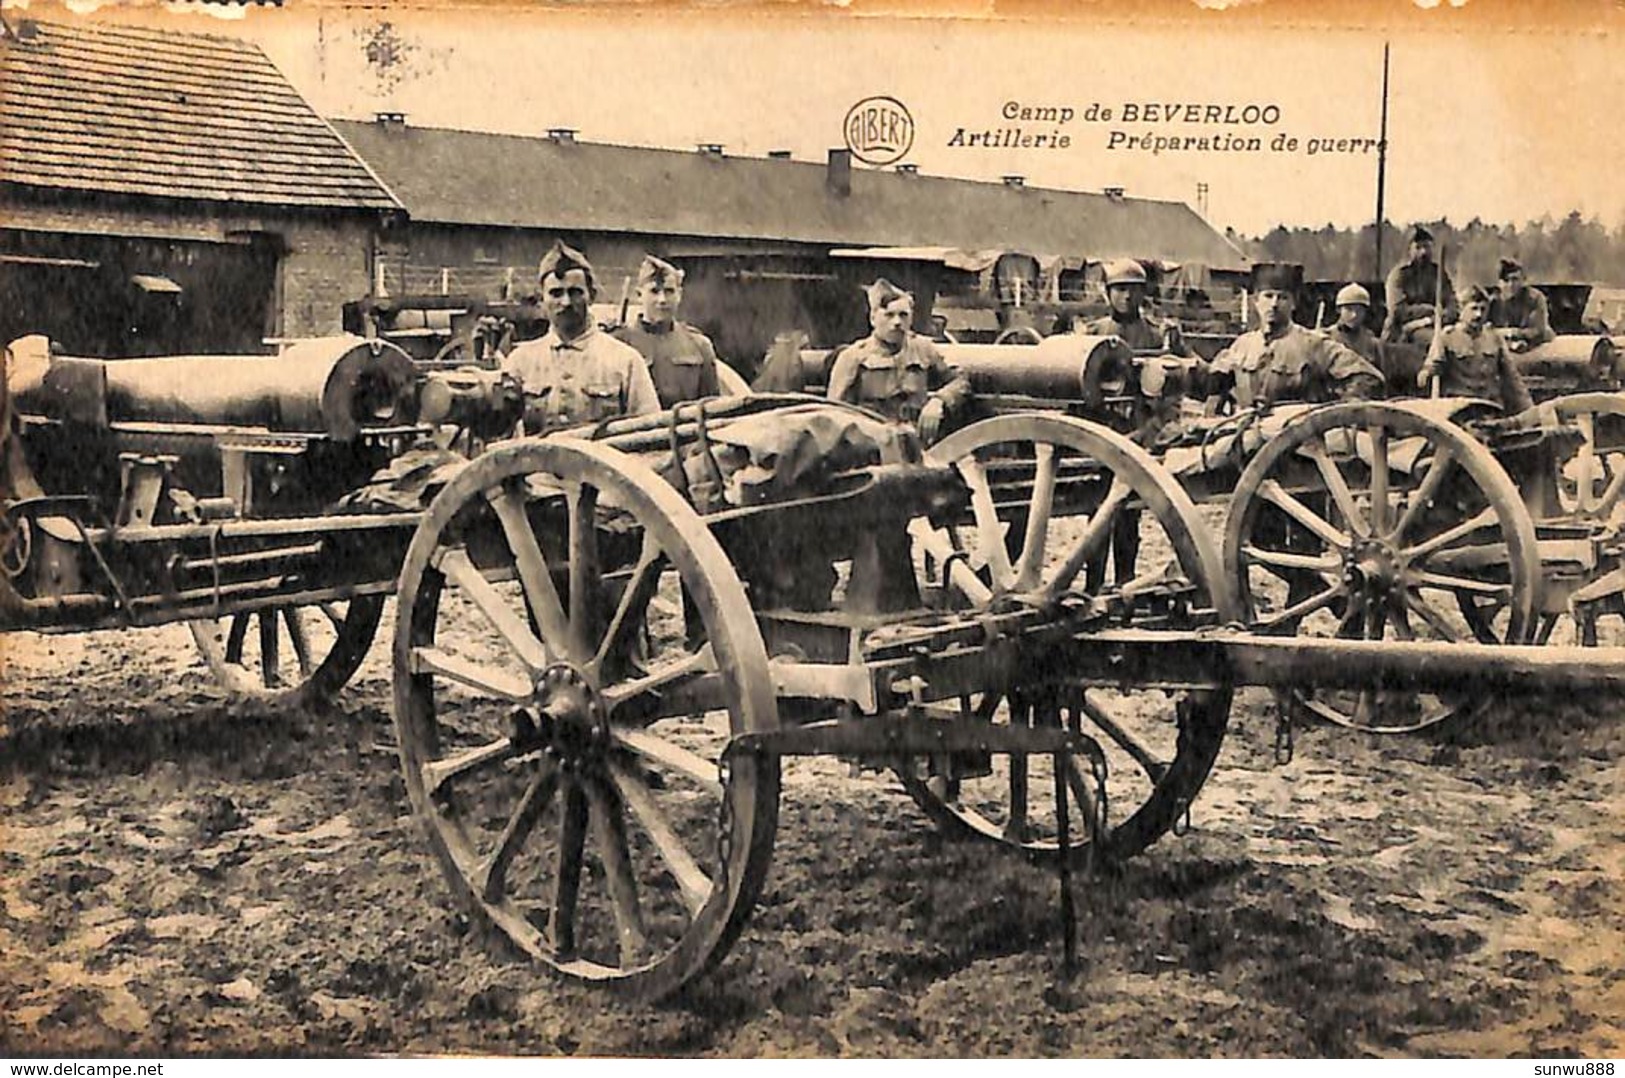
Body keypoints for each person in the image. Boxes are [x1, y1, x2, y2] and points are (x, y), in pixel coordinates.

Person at [501, 240, 660, 436]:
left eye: (575, 293)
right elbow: (500, 436)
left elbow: (648, 434)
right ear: (542, 300)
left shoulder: (625, 361)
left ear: (591, 296)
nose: (566, 302)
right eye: (556, 293)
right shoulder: (520, 362)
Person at [1207, 263, 1384, 413]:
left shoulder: (1313, 344)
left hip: (1299, 446)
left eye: (1283, 297)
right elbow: (1215, 382)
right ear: (1256, 301)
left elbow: (1368, 377)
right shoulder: (1242, 345)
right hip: (1246, 440)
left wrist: (1335, 412)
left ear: (1294, 303)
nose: (1274, 304)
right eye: (1268, 296)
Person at [827, 278, 970, 443]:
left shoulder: (923, 349)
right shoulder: (853, 358)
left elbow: (960, 381)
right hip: (872, 448)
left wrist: (939, 401)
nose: (897, 322)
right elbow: (834, 416)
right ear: (873, 318)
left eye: (903, 315)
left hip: (918, 445)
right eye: (889, 315)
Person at [610, 255, 724, 408]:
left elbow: (711, 407)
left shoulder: (699, 345)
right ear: (639, 295)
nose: (662, 299)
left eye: (669, 291)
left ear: (679, 295)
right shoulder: (619, 344)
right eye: (654, 291)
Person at [1419, 283, 1535, 413]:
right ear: (1461, 310)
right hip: (1459, 410)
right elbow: (1424, 379)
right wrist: (1429, 373)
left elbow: (1513, 378)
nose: (1479, 314)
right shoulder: (1446, 338)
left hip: (1489, 408)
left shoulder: (1494, 338)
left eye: (1483, 309)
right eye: (1474, 309)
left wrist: (1530, 410)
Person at [1083, 259, 1192, 355]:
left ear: (1143, 292)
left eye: (1134, 290)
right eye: (1121, 289)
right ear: (1108, 292)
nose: (1127, 296)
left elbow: (1192, 363)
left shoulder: (1159, 333)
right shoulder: (1092, 334)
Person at [1382, 226, 1457, 347]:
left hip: (1435, 326)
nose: (1423, 252)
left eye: (1427, 247)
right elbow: (1398, 310)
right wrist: (1429, 310)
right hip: (1401, 334)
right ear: (1409, 250)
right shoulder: (1399, 275)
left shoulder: (1438, 274)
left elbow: (1453, 306)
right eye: (1418, 247)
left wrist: (1431, 320)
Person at [1489, 258, 1555, 353]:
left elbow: (1538, 331)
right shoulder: (1494, 302)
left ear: (1523, 280)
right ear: (1499, 283)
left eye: (1515, 279)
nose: (1511, 285)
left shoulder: (1535, 298)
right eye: (1506, 280)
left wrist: (1511, 332)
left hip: (1536, 344)